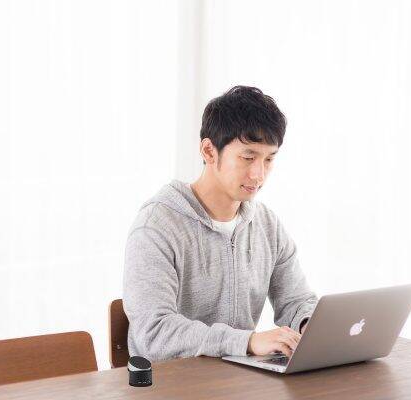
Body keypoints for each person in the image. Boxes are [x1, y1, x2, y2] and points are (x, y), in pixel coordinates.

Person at [123, 85, 318, 362]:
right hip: (173, 381)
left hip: (237, 378)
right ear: (209, 151)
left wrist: (308, 325)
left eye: (269, 159)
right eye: (248, 157)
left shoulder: (266, 225)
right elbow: (154, 332)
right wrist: (247, 341)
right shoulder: (156, 227)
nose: (259, 174)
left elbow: (296, 301)